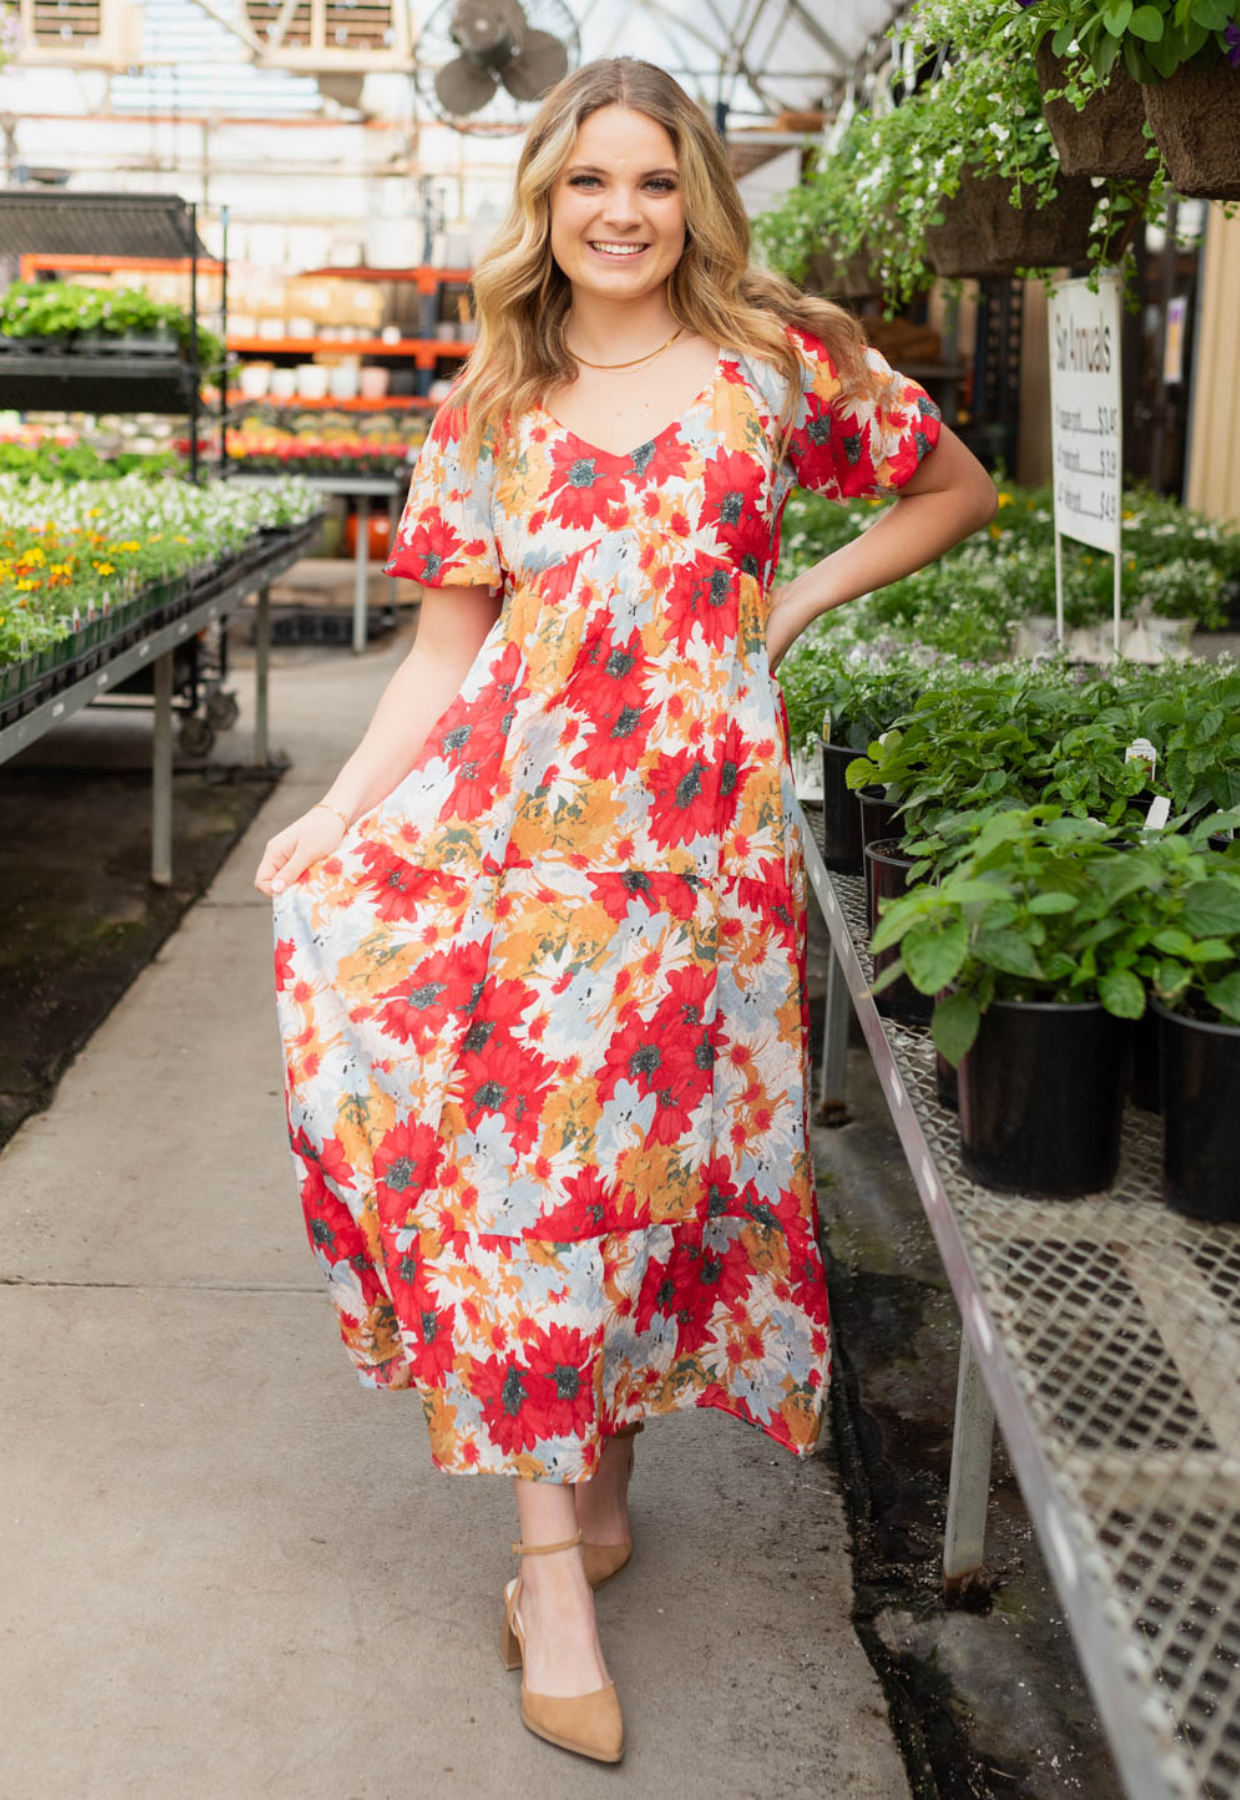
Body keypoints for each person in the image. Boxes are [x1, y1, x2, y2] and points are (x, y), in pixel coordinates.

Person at [255, 55, 997, 1767]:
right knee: (522, 1188)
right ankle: (545, 1573)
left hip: (703, 863)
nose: (618, 212)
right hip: (517, 852)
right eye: (587, 181)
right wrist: (340, 807)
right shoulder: (488, 399)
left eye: (651, 181)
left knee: (648, 1179)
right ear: (544, 198)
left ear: (693, 197)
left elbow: (949, 484)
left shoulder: (775, 359)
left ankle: (594, 1476)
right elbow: (446, 647)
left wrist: (789, 606)